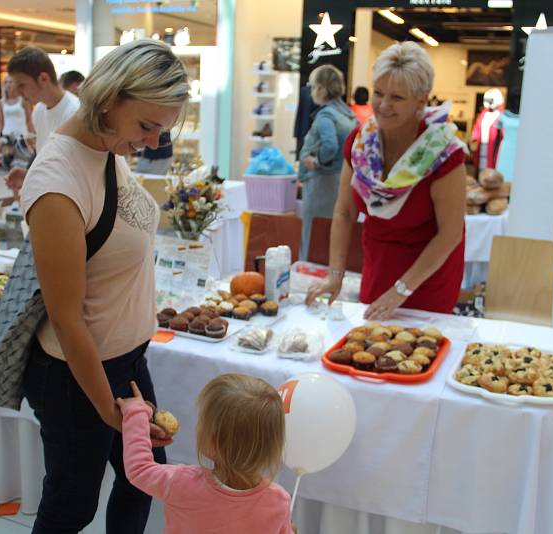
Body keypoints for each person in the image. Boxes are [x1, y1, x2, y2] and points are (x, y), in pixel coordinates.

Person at [19, 39, 189, 533]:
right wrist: (106, 407)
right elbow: (67, 317)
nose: (155, 142)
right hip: (78, 375)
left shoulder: (107, 149)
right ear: (110, 99)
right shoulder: (59, 180)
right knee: (72, 504)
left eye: (163, 129)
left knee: (143, 479)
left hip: (128, 360)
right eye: (148, 126)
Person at [306, 42, 467, 319]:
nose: (383, 105)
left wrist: (401, 290)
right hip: (378, 269)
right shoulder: (360, 143)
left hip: (426, 281)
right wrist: (335, 275)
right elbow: (344, 212)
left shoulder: (443, 152)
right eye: (378, 93)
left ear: (421, 100)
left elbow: (450, 233)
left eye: (397, 97)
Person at [118, 373, 295, 534]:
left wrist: (135, 412)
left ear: (213, 440)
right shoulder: (279, 501)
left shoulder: (182, 483)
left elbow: (139, 469)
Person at [298, 65, 358, 261]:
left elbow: (330, 146)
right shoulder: (348, 115)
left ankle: (306, 273)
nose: (312, 91)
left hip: (321, 183)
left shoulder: (326, 115)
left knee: (312, 231)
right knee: (331, 233)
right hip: (340, 180)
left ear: (322, 89)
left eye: (313, 86)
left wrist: (317, 162)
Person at [5, 46, 80, 197]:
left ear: (44, 79)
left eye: (22, 85)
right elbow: (50, 165)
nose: (17, 92)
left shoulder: (75, 113)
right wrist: (28, 176)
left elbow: (75, 174)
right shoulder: (39, 111)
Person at [0, 75, 34, 141]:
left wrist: (32, 134)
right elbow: (0, 121)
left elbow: (29, 119)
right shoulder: (1, 102)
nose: (8, 84)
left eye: (11, 82)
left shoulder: (23, 100)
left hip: (22, 135)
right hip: (7, 135)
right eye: (6, 82)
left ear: (15, 84)